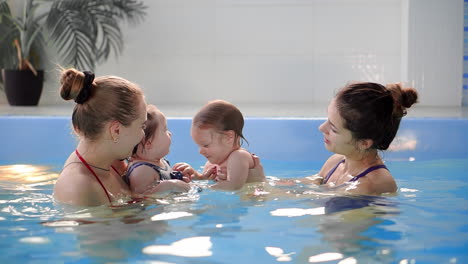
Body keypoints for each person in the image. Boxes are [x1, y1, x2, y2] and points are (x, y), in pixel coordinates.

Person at [53, 68, 147, 206]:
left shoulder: (113, 162)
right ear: (116, 131)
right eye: (142, 126)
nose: (143, 135)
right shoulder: (79, 187)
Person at [304, 82, 418, 195]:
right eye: (328, 120)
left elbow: (313, 197)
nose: (321, 128)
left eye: (334, 129)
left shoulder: (370, 184)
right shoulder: (336, 162)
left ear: (363, 143)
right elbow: (305, 187)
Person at [190, 99, 265, 190]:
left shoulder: (239, 156)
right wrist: (198, 177)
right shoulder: (211, 164)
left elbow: (233, 186)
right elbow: (210, 182)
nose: (200, 151)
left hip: (256, 197)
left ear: (229, 137)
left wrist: (194, 188)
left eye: (206, 145)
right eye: (199, 145)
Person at [123, 104, 194, 195]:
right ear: (148, 143)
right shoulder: (142, 171)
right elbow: (141, 200)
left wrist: (181, 179)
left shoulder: (158, 161)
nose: (170, 133)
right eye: (165, 129)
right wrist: (171, 185)